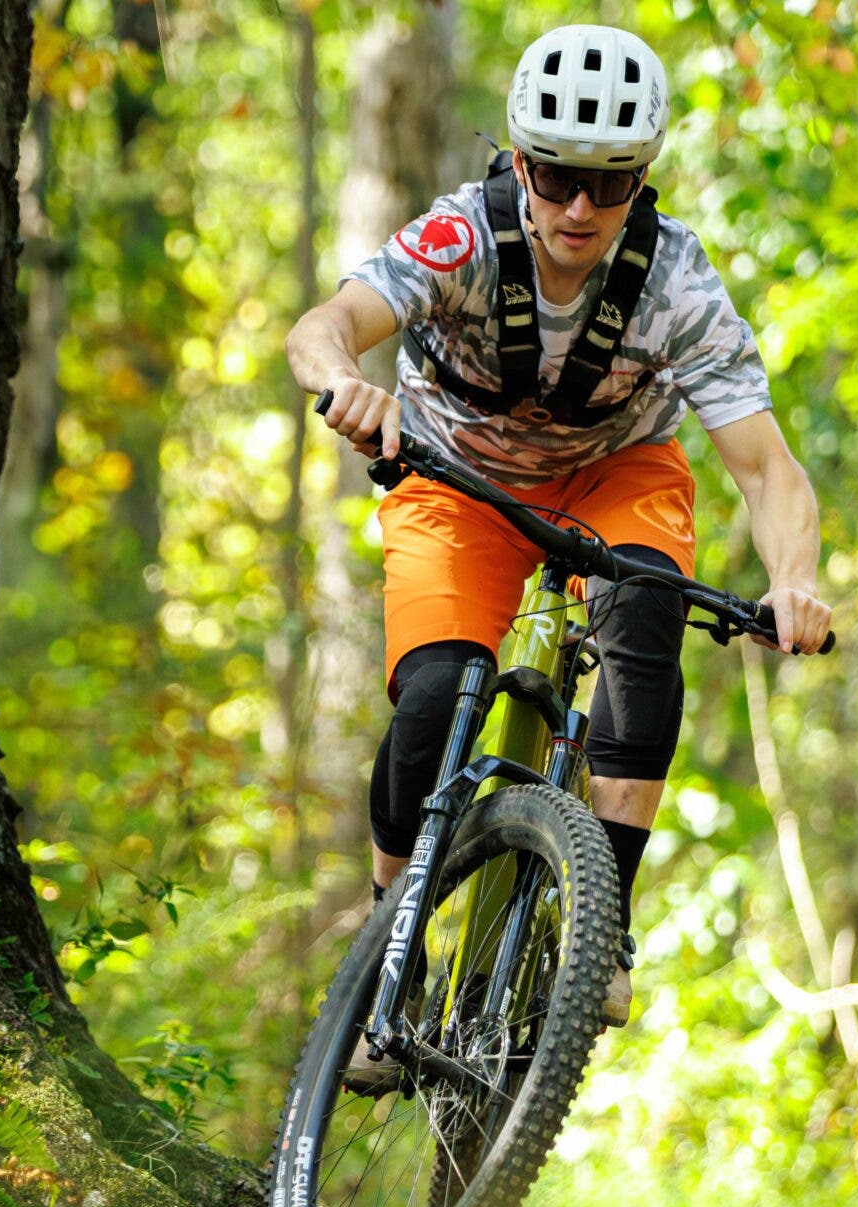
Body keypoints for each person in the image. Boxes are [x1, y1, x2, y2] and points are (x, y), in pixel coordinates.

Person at [285, 23, 830, 1025]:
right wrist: (344, 384)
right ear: (519, 160)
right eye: (556, 176)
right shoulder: (458, 239)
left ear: (643, 177)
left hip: (614, 477)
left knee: (641, 626)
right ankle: (387, 956)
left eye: (610, 184)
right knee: (436, 692)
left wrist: (793, 579)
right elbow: (322, 328)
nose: (578, 207)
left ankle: (599, 926)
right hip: (457, 480)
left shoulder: (677, 283)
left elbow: (767, 468)